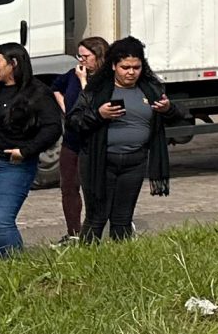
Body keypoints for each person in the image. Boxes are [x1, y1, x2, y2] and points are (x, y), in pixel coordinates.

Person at [65, 36, 176, 243]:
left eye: (136, 67)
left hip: (135, 162)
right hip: (100, 161)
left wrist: (168, 109)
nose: (131, 72)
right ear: (113, 66)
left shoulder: (151, 89)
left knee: (123, 218)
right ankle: (87, 257)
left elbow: (178, 117)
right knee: (96, 217)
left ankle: (121, 257)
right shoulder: (97, 89)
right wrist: (99, 115)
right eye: (125, 67)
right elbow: (73, 122)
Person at [0, 42, 65, 257]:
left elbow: (53, 128)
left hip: (11, 166)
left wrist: (26, 151)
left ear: (13, 63)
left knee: (2, 220)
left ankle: (13, 267)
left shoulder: (37, 92)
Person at [51, 35, 110, 242]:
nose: (81, 60)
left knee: (95, 188)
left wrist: (84, 81)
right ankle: (74, 233)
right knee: (68, 185)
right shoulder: (72, 74)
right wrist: (66, 109)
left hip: (95, 140)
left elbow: (92, 104)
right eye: (79, 56)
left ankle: (96, 231)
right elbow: (55, 87)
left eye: (86, 56)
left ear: (99, 56)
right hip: (72, 139)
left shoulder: (106, 79)